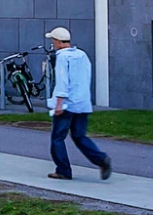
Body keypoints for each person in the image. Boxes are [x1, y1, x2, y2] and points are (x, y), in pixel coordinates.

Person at [45, 27, 111, 181]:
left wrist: (59, 104)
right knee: (80, 136)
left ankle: (63, 170)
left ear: (58, 42)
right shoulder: (82, 55)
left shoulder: (62, 57)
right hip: (83, 102)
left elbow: (62, 81)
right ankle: (101, 159)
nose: (53, 44)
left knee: (58, 138)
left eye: (53, 41)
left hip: (67, 104)